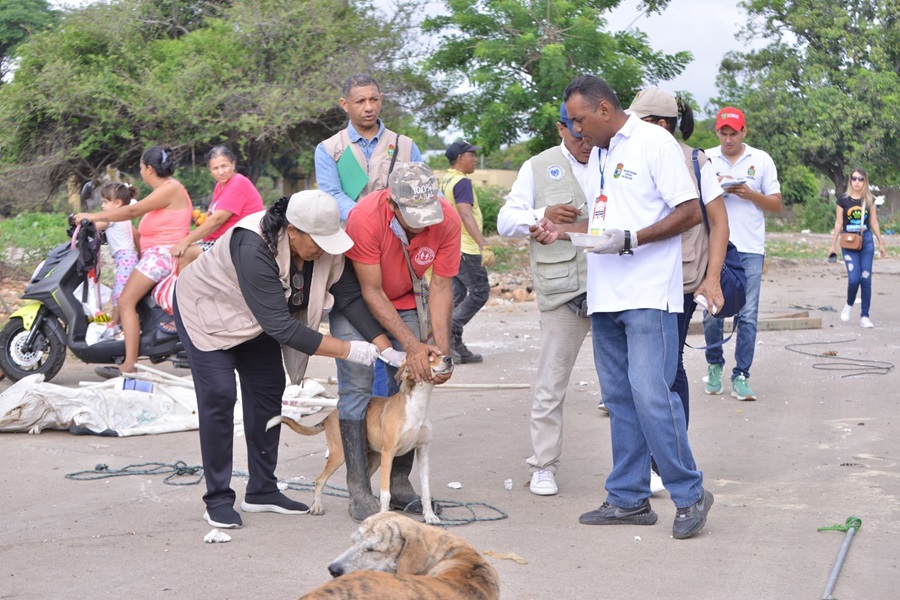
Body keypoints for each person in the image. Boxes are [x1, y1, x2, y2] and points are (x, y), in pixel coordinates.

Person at [534, 75, 712, 539]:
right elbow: (605, 219)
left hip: (650, 293)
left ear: (605, 111)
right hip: (606, 292)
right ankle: (628, 499)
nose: (574, 129)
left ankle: (690, 493)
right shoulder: (600, 153)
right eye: (571, 122)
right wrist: (564, 231)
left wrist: (635, 238)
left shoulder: (654, 142)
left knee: (652, 393)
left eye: (579, 119)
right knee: (619, 399)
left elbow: (690, 211)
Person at [174, 191, 399, 529]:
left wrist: (384, 347)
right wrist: (347, 349)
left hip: (255, 321)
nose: (324, 249)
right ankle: (218, 498)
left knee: (267, 391)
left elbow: (350, 297)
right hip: (207, 313)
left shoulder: (324, 250)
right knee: (220, 396)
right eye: (318, 241)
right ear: (292, 231)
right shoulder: (253, 245)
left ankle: (261, 490)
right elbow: (281, 326)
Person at [333, 161, 460, 521]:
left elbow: (440, 286)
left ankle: (400, 483)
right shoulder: (365, 216)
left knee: (405, 384)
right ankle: (358, 487)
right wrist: (410, 345)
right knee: (357, 387)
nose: (423, 224)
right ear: (392, 205)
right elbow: (370, 291)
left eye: (427, 214)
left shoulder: (446, 219)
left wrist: (439, 350)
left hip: (405, 300)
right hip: (357, 303)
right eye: (413, 217)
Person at [626, 87, 730, 493]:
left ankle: (667, 460)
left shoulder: (694, 160)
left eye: (640, 119)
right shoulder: (627, 155)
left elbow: (719, 223)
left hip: (683, 281)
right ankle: (661, 459)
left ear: (661, 124)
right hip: (641, 280)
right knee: (655, 372)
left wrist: (712, 278)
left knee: (670, 371)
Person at [497, 101, 598, 496]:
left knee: (624, 386)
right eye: (577, 133)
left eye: (590, 132)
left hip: (613, 287)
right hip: (563, 292)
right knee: (551, 384)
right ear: (561, 128)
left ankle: (644, 469)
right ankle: (543, 466)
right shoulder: (538, 166)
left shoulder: (613, 160)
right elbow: (506, 221)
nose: (585, 141)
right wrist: (540, 214)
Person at [75, 146, 191, 375]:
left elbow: (130, 212)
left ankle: (129, 365)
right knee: (129, 301)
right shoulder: (164, 191)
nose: (140, 172)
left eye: (140, 167)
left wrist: (92, 216)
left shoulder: (170, 188)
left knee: (125, 301)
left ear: (149, 169)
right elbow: (137, 230)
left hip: (163, 255)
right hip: (154, 254)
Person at [702, 107, 782, 401]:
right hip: (716, 247)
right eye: (723, 133)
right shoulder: (706, 158)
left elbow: (776, 204)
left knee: (747, 315)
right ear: (717, 132)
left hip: (749, 248)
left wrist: (751, 195)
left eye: (733, 133)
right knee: (712, 311)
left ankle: (741, 375)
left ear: (744, 132)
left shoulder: (761, 160)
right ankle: (714, 365)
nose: (728, 138)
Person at [315, 74, 423, 221]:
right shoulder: (328, 149)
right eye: (360, 101)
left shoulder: (406, 146)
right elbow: (332, 194)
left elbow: (422, 190)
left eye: (374, 100)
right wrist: (368, 220)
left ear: (381, 99)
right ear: (345, 104)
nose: (369, 107)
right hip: (349, 238)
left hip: (398, 238)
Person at [440, 140, 493, 364]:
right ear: (460, 158)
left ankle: (455, 345)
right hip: (465, 247)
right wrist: (484, 245)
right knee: (480, 291)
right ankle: (451, 329)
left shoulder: (447, 179)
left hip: (453, 246)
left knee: (458, 294)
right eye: (471, 155)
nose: (474, 159)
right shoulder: (461, 182)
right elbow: (465, 214)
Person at [171, 146, 264, 269]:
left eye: (224, 166)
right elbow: (212, 217)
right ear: (209, 169)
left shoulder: (238, 183)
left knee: (185, 254)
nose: (221, 172)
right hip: (222, 240)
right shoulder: (220, 185)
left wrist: (185, 242)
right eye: (215, 168)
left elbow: (217, 220)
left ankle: (180, 288)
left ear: (233, 164)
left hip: (237, 243)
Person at [827, 168, 887, 328]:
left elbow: (874, 222)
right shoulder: (843, 200)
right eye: (854, 179)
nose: (857, 182)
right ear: (850, 181)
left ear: (865, 181)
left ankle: (865, 316)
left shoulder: (870, 200)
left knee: (866, 279)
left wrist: (881, 243)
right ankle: (849, 304)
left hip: (866, 241)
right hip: (849, 241)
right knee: (854, 279)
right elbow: (839, 223)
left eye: (860, 179)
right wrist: (832, 245)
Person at [94, 182, 140, 339]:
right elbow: (136, 235)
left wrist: (83, 223)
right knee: (119, 292)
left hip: (125, 259)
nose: (102, 205)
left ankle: (115, 326)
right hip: (128, 258)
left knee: (119, 294)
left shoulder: (112, 217)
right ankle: (117, 325)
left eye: (105, 202)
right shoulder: (123, 217)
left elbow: (96, 227)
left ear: (118, 203)